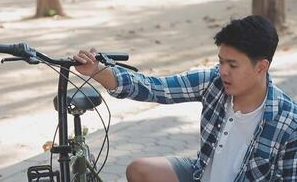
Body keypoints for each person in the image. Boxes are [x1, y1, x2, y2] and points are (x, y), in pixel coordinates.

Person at [73, 15, 297, 182]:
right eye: (221, 62)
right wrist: (98, 71)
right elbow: (154, 88)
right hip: (201, 173)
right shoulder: (213, 82)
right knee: (140, 170)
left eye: (232, 65)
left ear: (261, 67)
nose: (223, 71)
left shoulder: (288, 121)